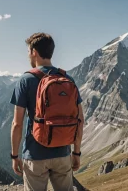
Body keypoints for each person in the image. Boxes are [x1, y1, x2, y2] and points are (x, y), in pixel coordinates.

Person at [10, 32, 84, 191]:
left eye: (28, 51)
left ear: (34, 52)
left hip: (35, 154)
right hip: (63, 153)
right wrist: (76, 152)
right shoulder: (67, 79)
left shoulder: (26, 80)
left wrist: (15, 156)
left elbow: (17, 124)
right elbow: (80, 119)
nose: (28, 55)